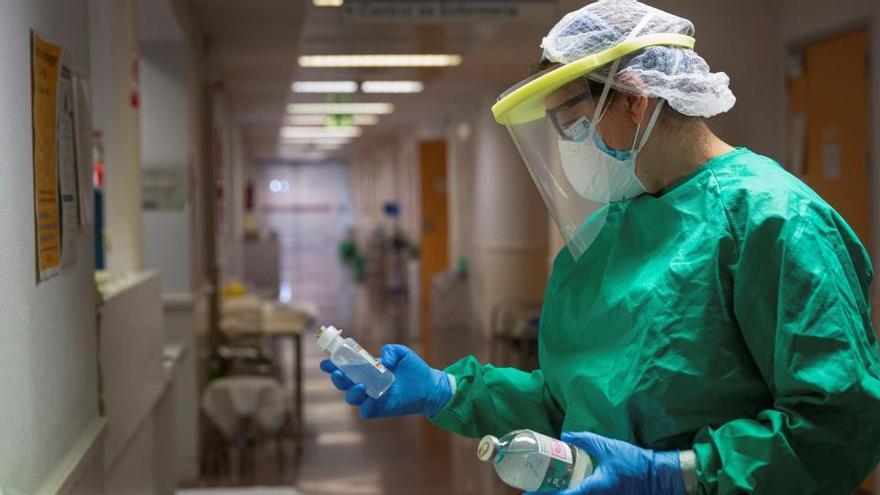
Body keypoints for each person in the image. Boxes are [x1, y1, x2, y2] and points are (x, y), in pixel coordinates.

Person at [321, 1, 880, 493]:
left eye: (572, 123)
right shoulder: (613, 231)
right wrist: (448, 392)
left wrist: (677, 475)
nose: (568, 147)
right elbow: (576, 402)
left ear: (634, 99)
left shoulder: (775, 220)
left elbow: (838, 427)